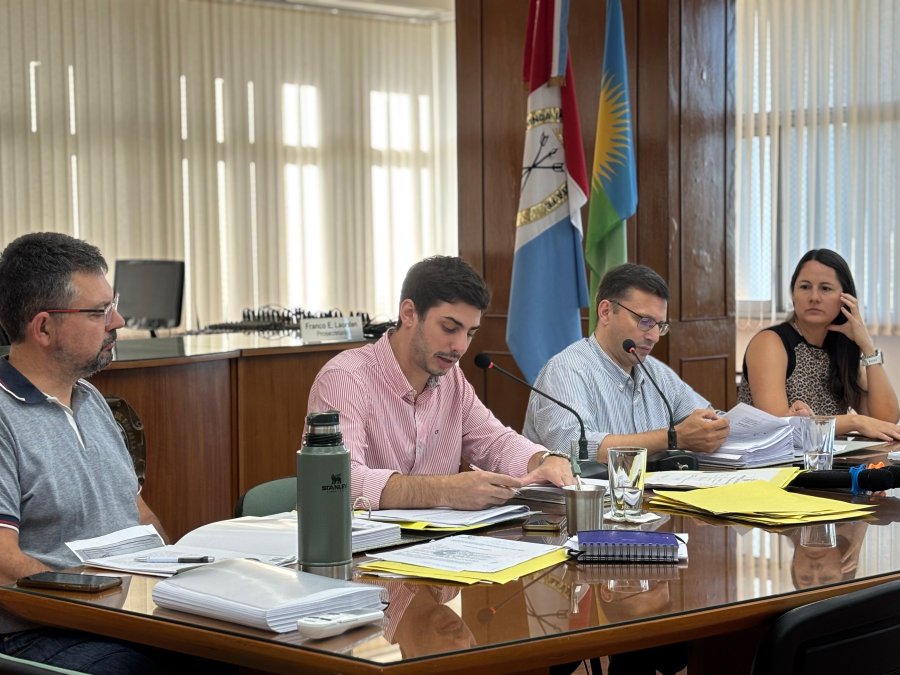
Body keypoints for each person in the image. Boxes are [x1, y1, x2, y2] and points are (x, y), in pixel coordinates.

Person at [0, 232, 230, 674]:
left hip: (125, 616)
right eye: (98, 311)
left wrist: (173, 579)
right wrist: (108, 601)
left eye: (114, 304)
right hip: (42, 635)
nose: (119, 320)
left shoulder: (90, 400)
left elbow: (139, 514)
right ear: (44, 327)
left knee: (234, 651)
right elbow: (4, 565)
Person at [307, 255, 575, 510]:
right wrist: (447, 490)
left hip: (438, 548)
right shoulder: (345, 379)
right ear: (409, 313)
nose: (459, 346)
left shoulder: (451, 379)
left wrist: (543, 459)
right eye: (449, 328)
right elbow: (338, 482)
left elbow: (495, 442)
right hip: (361, 550)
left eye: (470, 333)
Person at [523, 263, 730, 462]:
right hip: (586, 497)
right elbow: (574, 447)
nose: (654, 337)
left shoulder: (656, 372)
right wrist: (672, 438)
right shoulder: (567, 370)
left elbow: (707, 418)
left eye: (660, 326)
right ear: (605, 312)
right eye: (645, 322)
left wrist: (715, 428)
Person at [738, 248, 900, 440]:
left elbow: (886, 420)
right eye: (805, 287)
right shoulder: (770, 342)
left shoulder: (840, 348)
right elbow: (779, 424)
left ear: (845, 298)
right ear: (793, 294)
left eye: (825, 288)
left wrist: (866, 345)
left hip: (828, 462)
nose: (814, 297)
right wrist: (856, 422)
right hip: (772, 463)